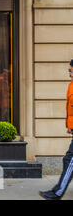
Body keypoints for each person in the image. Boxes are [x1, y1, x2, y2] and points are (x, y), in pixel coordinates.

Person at [39, 59, 73, 200]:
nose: (69, 74)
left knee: (69, 160)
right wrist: (70, 126)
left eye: (71, 71)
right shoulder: (72, 85)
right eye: (69, 71)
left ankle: (57, 192)